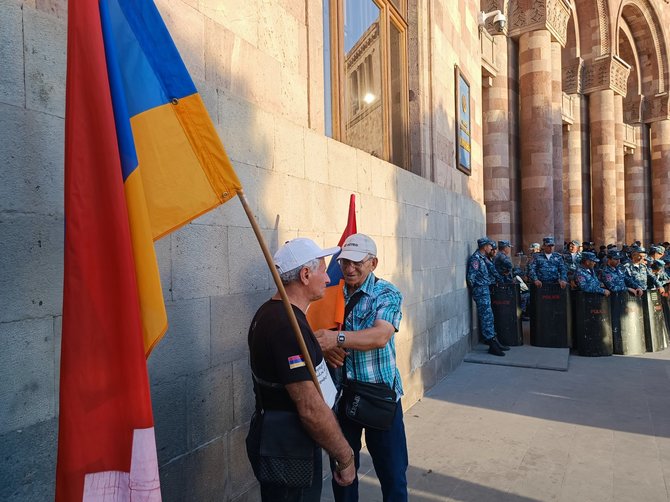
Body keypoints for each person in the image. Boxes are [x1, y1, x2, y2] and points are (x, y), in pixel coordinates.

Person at [246, 238, 356, 501]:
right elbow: (309, 407)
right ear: (305, 275)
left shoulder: (277, 313)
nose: (328, 279)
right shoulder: (285, 325)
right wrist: (345, 456)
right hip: (287, 448)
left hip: (287, 442)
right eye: (322, 270)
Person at [314, 233, 408, 502]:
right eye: (345, 262)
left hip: (380, 398)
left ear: (373, 263)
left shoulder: (386, 292)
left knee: (393, 475)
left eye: (357, 263)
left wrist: (337, 339)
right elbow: (315, 331)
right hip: (343, 398)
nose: (349, 269)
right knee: (343, 473)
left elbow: (380, 336)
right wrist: (327, 346)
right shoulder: (331, 294)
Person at [466, 237, 509, 356]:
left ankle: (493, 340)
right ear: (484, 246)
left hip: (485, 289)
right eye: (490, 246)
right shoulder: (476, 259)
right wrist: (477, 288)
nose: (491, 248)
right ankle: (491, 344)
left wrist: (502, 280)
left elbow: (493, 271)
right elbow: (471, 277)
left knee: (489, 316)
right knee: (486, 316)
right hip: (481, 291)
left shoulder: (484, 258)